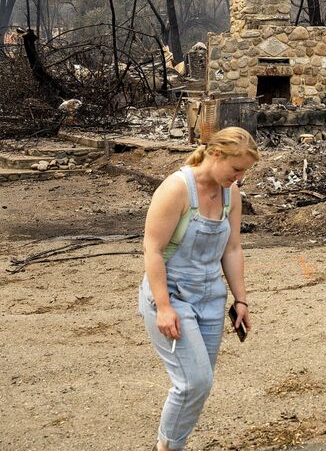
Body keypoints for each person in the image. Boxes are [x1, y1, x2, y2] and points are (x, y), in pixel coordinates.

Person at [138, 126, 258, 451]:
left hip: (210, 300)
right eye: (236, 170)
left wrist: (241, 299)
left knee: (198, 385)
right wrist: (163, 307)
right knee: (194, 382)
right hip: (171, 296)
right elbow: (152, 250)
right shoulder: (176, 189)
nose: (240, 178)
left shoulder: (231, 195)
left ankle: (171, 444)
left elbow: (232, 249)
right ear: (216, 154)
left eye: (244, 172)